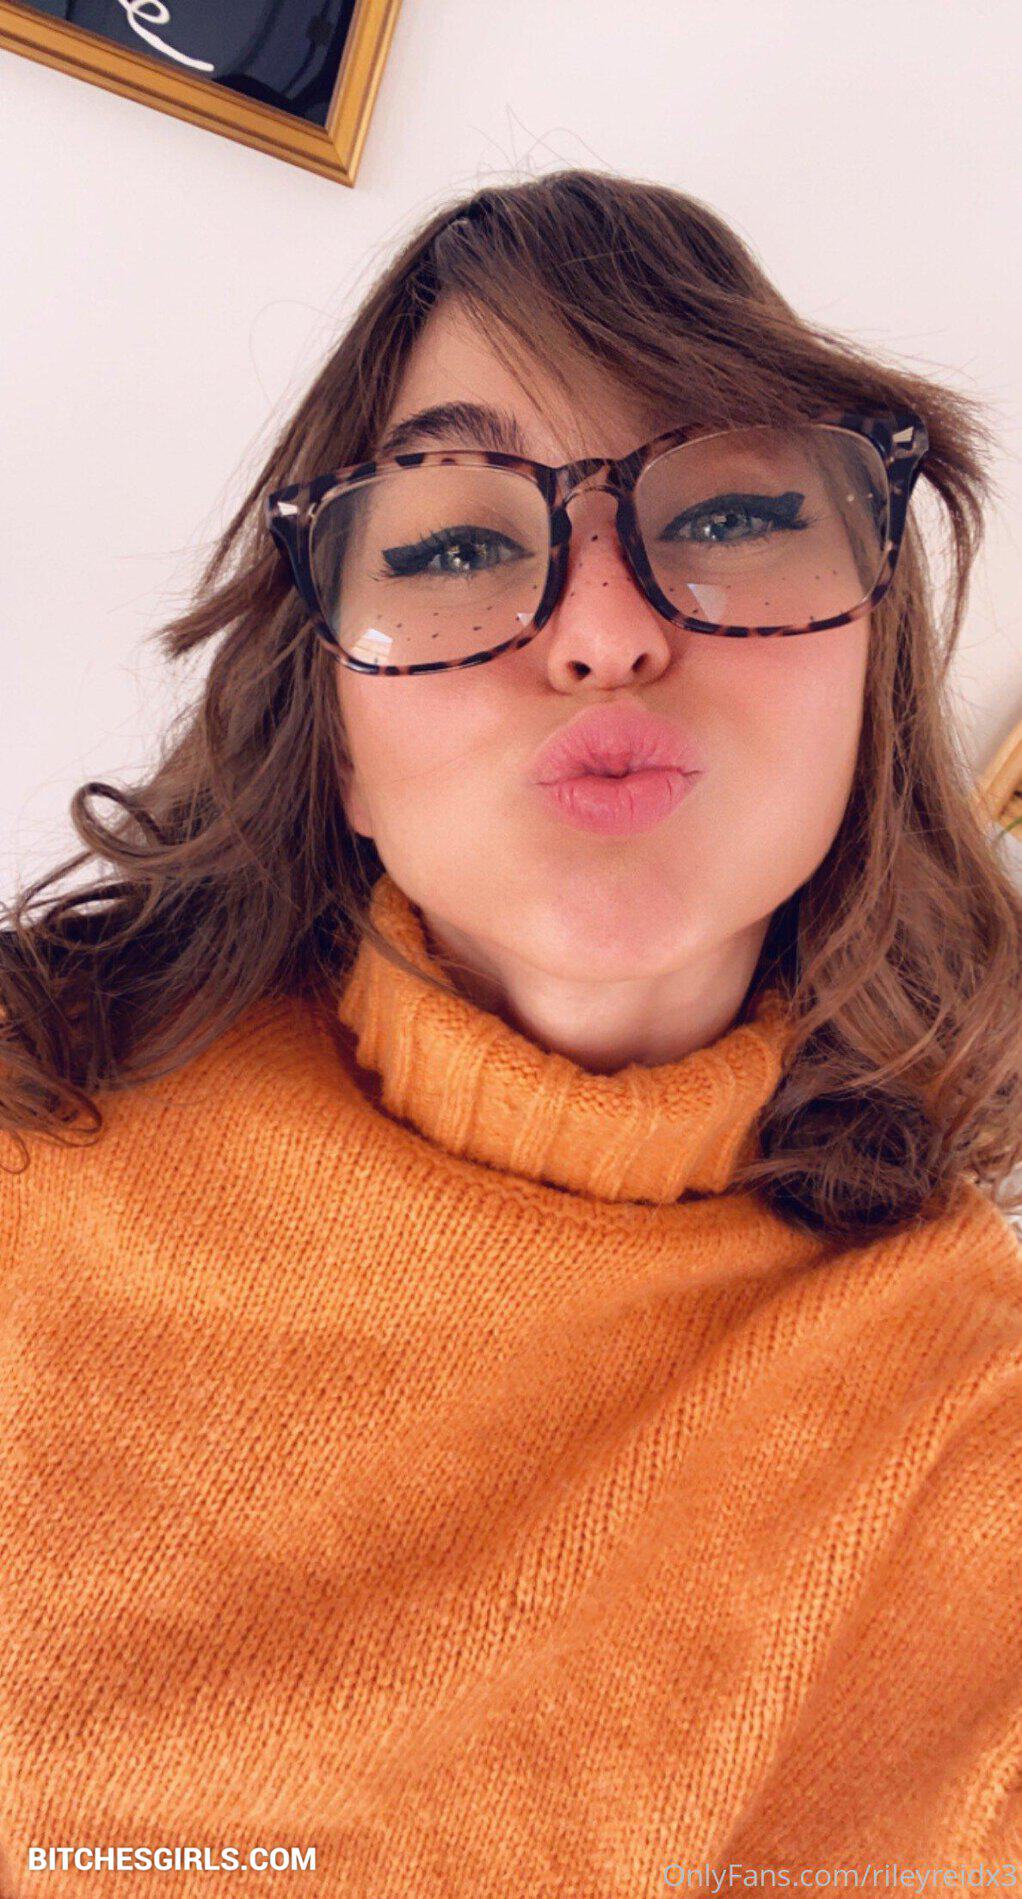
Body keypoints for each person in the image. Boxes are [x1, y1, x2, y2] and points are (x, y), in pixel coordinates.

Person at [1, 170, 1021, 1895]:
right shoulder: (30, 1127)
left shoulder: (973, 1432)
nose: (607, 632)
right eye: (457, 544)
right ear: (335, 740)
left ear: (868, 668)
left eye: (728, 513)